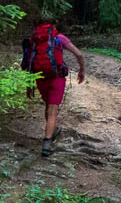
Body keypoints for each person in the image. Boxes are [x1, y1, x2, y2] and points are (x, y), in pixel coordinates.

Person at [21, 20, 86, 156]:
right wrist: (81, 70)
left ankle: (50, 132)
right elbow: (79, 54)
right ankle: (47, 144)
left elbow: (29, 62)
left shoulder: (34, 40)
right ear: (53, 26)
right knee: (53, 111)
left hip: (40, 78)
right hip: (56, 78)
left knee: (48, 106)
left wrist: (29, 84)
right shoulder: (60, 38)